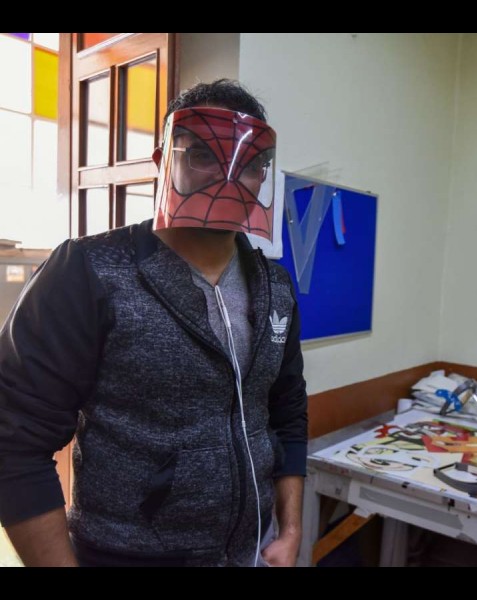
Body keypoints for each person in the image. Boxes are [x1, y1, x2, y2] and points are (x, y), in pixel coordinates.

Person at [0, 79, 308, 567]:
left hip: (252, 549)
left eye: (249, 164)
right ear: (164, 161)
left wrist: (290, 531)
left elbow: (287, 412)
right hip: (127, 554)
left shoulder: (276, 286)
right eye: (203, 154)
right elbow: (14, 444)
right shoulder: (88, 270)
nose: (227, 177)